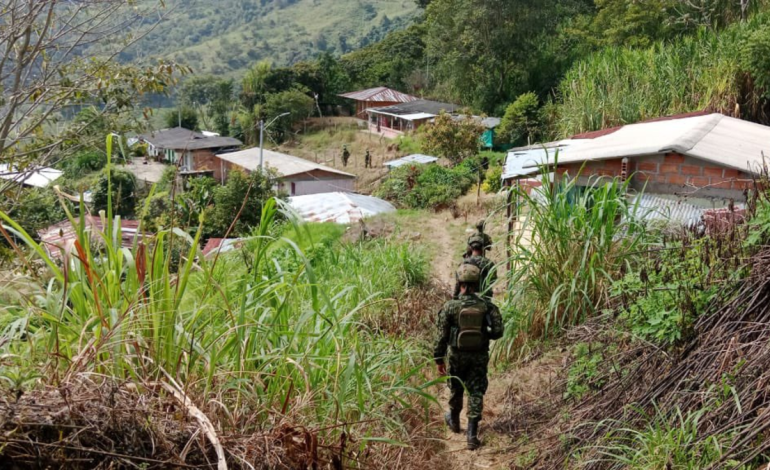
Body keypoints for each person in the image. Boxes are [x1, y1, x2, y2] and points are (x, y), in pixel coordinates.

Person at [435, 264, 504, 450]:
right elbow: (498, 332)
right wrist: (483, 334)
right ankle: (472, 435)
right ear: (477, 283)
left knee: (456, 388)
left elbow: (442, 336)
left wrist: (438, 359)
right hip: (479, 357)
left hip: (456, 355)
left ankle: (455, 422)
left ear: (460, 283)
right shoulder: (487, 306)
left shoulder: (450, 307)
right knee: (476, 391)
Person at [455, 234, 497, 300]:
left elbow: (458, 283)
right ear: (483, 248)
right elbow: (493, 280)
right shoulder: (489, 263)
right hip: (484, 298)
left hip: (464, 298)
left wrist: (455, 297)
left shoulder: (463, 263)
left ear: (470, 247)